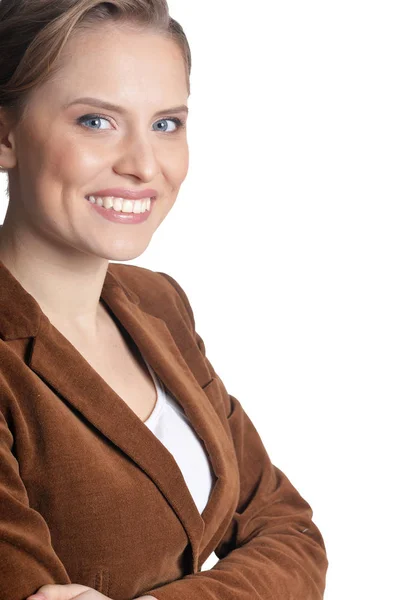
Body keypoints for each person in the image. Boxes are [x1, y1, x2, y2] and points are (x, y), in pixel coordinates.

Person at [0, 1, 329, 599]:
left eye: (165, 124)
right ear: (5, 135)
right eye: (96, 121)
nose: (144, 166)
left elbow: (289, 530)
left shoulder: (159, 303)